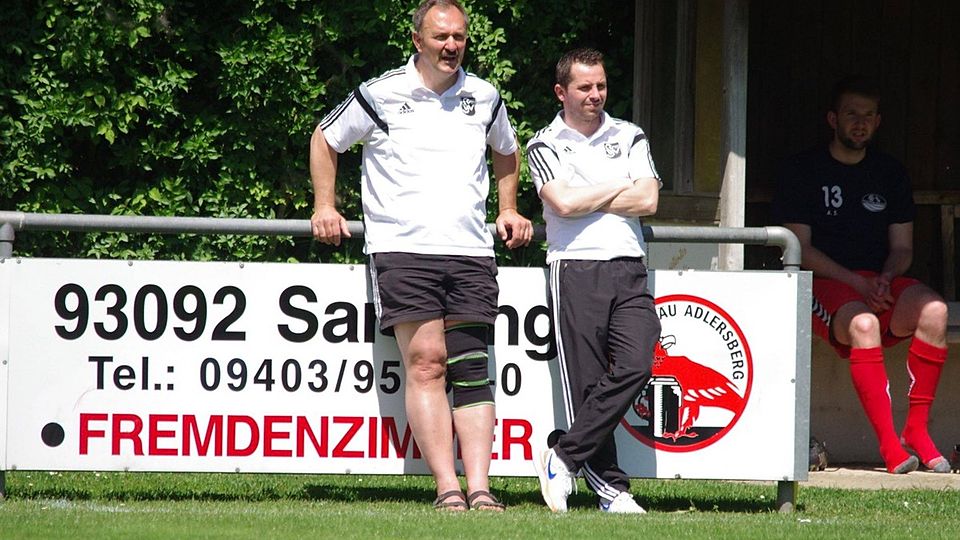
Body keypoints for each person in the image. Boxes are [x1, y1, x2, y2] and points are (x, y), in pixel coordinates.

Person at [309, 0, 533, 510]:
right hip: (402, 248)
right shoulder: (381, 92)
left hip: (471, 250)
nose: (451, 46)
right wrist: (326, 205)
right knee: (428, 363)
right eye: (440, 37)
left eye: (459, 37)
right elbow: (326, 138)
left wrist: (509, 207)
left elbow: (507, 148)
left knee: (473, 366)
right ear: (418, 40)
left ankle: (480, 488)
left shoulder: (484, 95)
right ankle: (446, 487)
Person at [772, 76, 950, 474]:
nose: (860, 123)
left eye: (868, 116)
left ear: (878, 122)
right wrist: (858, 283)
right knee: (866, 324)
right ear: (832, 118)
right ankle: (890, 447)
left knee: (936, 311)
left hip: (875, 285)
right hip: (825, 285)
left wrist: (885, 277)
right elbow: (800, 248)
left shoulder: (889, 172)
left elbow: (903, 248)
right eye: (851, 114)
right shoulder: (803, 170)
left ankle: (916, 432)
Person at [526, 48, 661, 513]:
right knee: (586, 384)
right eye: (585, 87)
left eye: (600, 86)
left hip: (628, 265)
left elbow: (648, 198)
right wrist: (615, 186)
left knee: (636, 365)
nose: (595, 95)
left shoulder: (630, 134)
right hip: (575, 267)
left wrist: (589, 193)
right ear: (562, 91)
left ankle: (562, 455)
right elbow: (561, 205)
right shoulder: (543, 143)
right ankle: (612, 491)